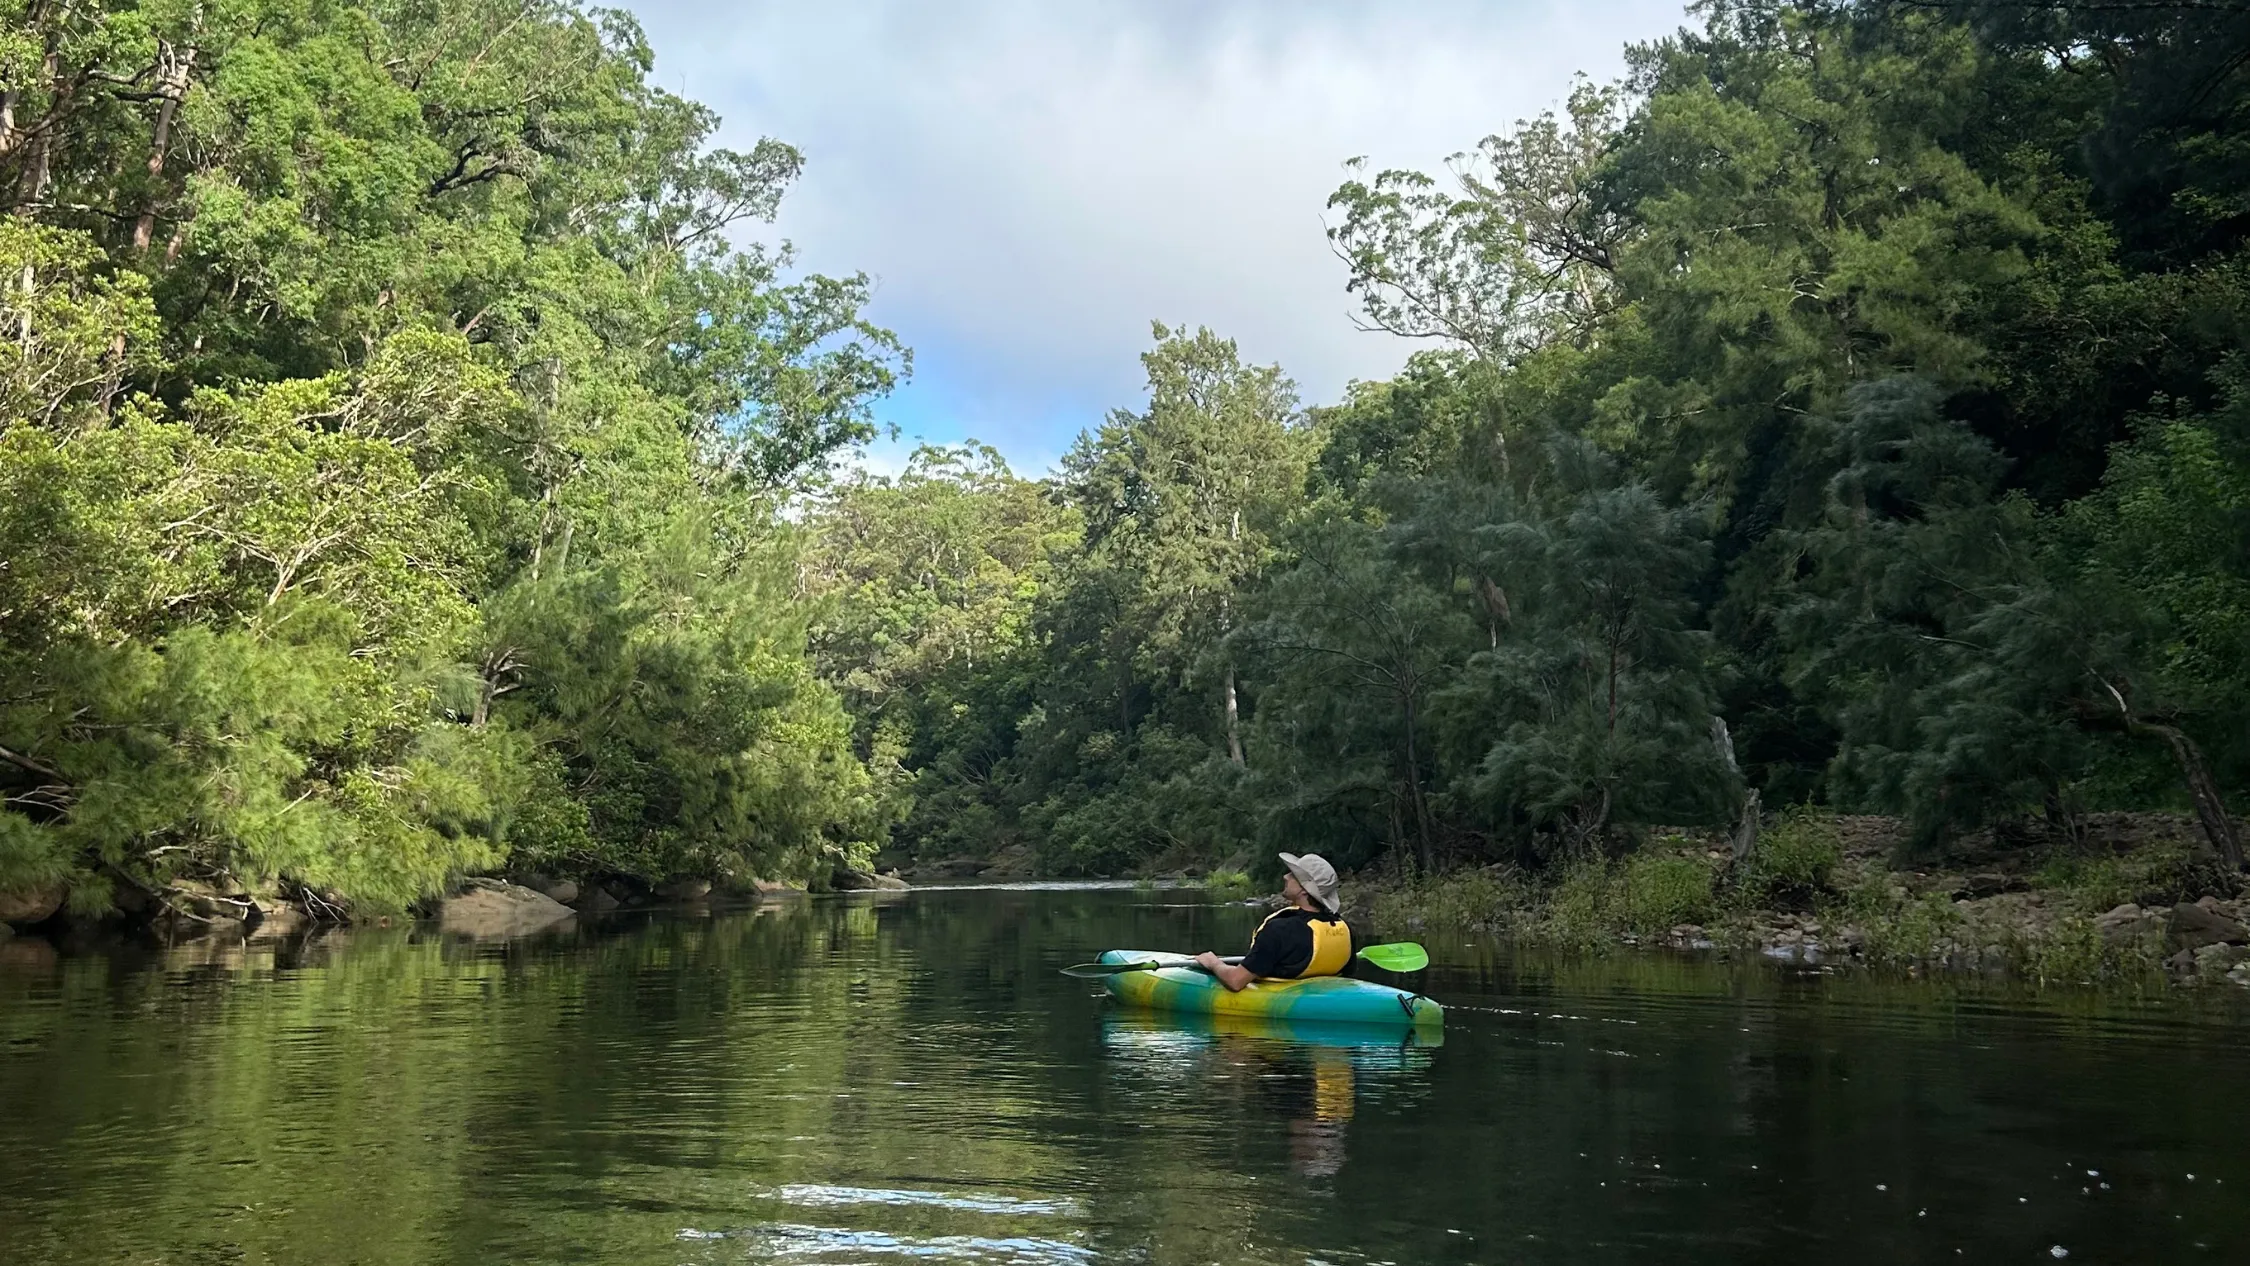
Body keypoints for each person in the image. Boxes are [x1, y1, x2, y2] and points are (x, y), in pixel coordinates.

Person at [1195, 852, 1355, 991]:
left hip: (1284, 998)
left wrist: (1213, 963)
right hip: (1321, 996)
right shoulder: (1344, 927)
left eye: (1292, 874)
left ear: (1304, 890)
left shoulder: (1279, 930)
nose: (1285, 876)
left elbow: (1235, 981)